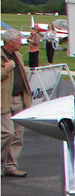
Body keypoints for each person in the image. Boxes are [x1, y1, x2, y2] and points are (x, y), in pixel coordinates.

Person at [2, 28, 33, 177]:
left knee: (17, 135)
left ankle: (11, 166)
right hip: (4, 100)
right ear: (9, 42)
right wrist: (6, 70)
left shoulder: (18, 55)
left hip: (19, 98)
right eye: (18, 41)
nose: (21, 44)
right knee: (7, 132)